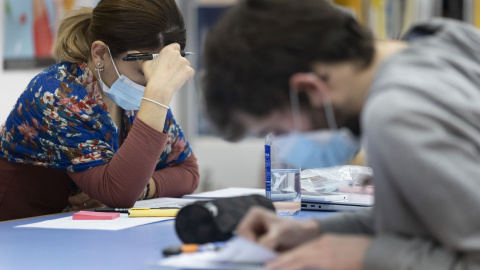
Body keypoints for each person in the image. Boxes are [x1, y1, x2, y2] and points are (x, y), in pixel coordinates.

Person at [202, 0, 480, 269]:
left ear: (309, 89)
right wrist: (314, 231)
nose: (284, 144)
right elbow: (424, 220)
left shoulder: (399, 112)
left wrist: (367, 258)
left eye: (279, 130)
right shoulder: (440, 41)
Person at [0, 0, 199, 221]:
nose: (153, 82)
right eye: (144, 71)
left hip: (79, 235)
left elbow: (188, 171)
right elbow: (119, 192)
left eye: (161, 73)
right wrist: (159, 94)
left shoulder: (141, 98)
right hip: (17, 233)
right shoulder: (57, 94)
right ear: (101, 54)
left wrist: (143, 188)